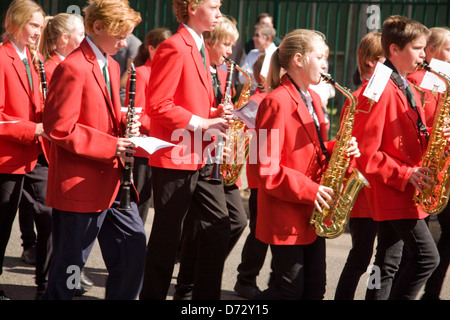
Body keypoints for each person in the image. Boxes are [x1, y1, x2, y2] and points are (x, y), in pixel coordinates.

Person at [41, 0, 145, 300]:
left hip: (112, 183)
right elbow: (59, 128)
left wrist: (127, 123)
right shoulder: (73, 67)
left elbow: (105, 114)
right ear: (97, 27)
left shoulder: (110, 64)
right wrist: (113, 144)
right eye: (119, 34)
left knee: (133, 251)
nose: (125, 42)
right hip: (81, 188)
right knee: (69, 274)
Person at [248, 29, 360, 300]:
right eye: (320, 57)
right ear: (298, 59)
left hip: (311, 210)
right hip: (286, 210)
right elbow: (267, 169)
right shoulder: (275, 102)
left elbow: (317, 149)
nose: (326, 64)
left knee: (314, 288)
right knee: (289, 289)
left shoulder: (312, 99)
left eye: (327, 58)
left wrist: (341, 150)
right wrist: (312, 191)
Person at [139, 0, 230, 301]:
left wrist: (217, 111)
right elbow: (159, 105)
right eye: (214, 6)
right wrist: (204, 122)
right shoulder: (174, 46)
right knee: (167, 239)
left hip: (199, 153)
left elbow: (190, 100)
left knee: (220, 226)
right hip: (174, 156)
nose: (219, 13)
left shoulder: (199, 44)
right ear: (192, 8)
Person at [351, 15, 442, 300]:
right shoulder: (377, 87)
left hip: (403, 188)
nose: (424, 55)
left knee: (387, 263)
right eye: (417, 48)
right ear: (394, 50)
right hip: (395, 190)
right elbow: (366, 152)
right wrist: (406, 174)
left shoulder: (400, 82)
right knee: (427, 259)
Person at [173, 16, 247, 300]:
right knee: (203, 225)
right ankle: (190, 288)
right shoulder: (201, 65)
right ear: (210, 41)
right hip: (195, 152)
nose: (230, 51)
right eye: (226, 44)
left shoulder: (222, 72)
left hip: (217, 155)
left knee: (235, 221)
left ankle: (191, 282)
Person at [0, 0, 51, 300]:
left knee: (49, 214)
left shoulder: (33, 59)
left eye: (41, 27)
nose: (38, 32)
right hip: (7, 158)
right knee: (2, 225)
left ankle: (48, 282)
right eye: (33, 25)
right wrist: (31, 129)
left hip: (32, 155)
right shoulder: (3, 58)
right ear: (14, 25)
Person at [334, 31, 384, 300]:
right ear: (371, 62)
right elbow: (360, 144)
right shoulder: (365, 95)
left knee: (374, 258)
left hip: (374, 187)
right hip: (366, 189)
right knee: (363, 257)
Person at [408, 26, 450, 300]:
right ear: (431, 51)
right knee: (406, 250)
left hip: (442, 167)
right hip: (421, 169)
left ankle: (431, 292)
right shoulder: (417, 80)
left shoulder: (444, 79)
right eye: (449, 49)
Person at [234, 52, 271, 299]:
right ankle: (245, 279)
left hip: (273, 176)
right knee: (259, 232)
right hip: (263, 179)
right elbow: (242, 142)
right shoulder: (257, 100)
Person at [127, 27, 172, 224]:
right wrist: (164, 126)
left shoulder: (164, 73)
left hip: (161, 147)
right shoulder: (142, 73)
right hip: (144, 149)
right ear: (151, 49)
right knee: (140, 203)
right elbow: (138, 114)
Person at [39, 13, 85, 81]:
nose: (84, 39)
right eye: (81, 35)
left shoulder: (79, 63)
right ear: (65, 38)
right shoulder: (50, 69)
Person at [239, 22, 277, 94]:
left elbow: (273, 79)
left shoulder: (276, 54)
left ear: (268, 38)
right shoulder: (252, 53)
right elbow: (241, 78)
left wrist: (251, 75)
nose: (253, 38)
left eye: (257, 35)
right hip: (251, 94)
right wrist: (261, 75)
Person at [112, 33, 142, 106]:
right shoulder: (111, 38)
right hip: (110, 90)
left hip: (121, 94)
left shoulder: (134, 43)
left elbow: (129, 71)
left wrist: (114, 89)